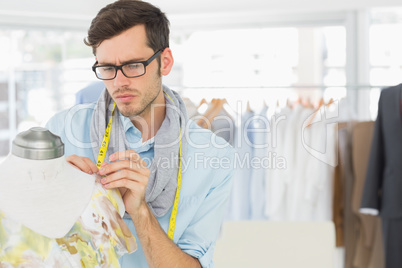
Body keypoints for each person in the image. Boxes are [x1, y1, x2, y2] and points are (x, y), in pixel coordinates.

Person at [46, 0, 235, 267]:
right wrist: (53, 192)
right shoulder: (64, 130)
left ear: (165, 62)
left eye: (134, 65)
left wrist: (140, 211)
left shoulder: (215, 157)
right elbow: (23, 235)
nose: (119, 82)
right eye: (108, 68)